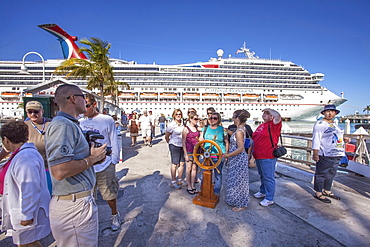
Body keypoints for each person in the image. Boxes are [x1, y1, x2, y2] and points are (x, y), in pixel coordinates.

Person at [44, 84, 106, 247]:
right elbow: (59, 170)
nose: (85, 101)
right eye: (83, 97)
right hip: (74, 206)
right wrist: (91, 159)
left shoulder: (69, 124)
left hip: (75, 202)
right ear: (73, 98)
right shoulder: (63, 125)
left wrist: (94, 158)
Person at [0, 121, 51, 247]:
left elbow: (30, 188)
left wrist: (26, 215)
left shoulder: (26, 157)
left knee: (27, 244)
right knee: (27, 243)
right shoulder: (20, 155)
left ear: (6, 140)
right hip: (20, 208)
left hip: (26, 212)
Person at [79, 94, 122, 230]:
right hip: (87, 165)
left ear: (94, 105)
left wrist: (113, 160)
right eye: (82, 106)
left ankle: (114, 215)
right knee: (88, 196)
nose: (84, 109)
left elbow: (113, 139)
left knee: (109, 195)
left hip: (105, 163)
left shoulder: (106, 119)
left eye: (86, 105)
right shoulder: (80, 122)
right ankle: (90, 220)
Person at [0, 101, 53, 194]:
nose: (33, 114)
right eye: (29, 112)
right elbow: (12, 145)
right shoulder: (23, 126)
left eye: (36, 112)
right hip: (32, 168)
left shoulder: (52, 124)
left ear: (42, 111)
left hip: (51, 168)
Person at [312, 104, 349, 203]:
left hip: (337, 153)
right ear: (323, 113)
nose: (330, 113)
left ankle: (327, 190)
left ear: (335, 113)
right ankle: (318, 192)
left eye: (332, 111)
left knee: (331, 173)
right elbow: (316, 138)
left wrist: (344, 139)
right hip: (325, 153)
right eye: (327, 111)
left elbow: (335, 136)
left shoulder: (334, 124)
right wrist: (315, 152)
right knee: (321, 173)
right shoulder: (320, 124)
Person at [252, 108, 282, 207]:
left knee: (269, 177)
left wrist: (269, 109)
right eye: (264, 113)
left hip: (268, 155)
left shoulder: (274, 125)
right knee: (262, 175)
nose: (264, 114)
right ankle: (263, 191)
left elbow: (278, 116)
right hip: (258, 155)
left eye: (267, 114)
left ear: (271, 116)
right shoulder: (261, 125)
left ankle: (269, 198)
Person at [223, 110, 250, 212]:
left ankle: (241, 204)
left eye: (234, 117)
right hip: (237, 158)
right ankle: (236, 200)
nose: (233, 119)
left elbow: (240, 148)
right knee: (236, 180)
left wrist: (228, 155)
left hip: (237, 159)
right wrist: (227, 131)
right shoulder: (241, 129)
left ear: (238, 118)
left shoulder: (239, 131)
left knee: (239, 182)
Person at [200, 112, 228, 195]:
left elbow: (226, 141)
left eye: (215, 118)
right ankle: (204, 189)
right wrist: (200, 143)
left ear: (218, 119)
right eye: (211, 118)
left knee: (218, 174)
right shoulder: (205, 128)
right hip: (207, 155)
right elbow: (201, 138)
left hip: (219, 155)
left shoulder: (223, 129)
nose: (212, 120)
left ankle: (216, 191)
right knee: (205, 172)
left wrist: (226, 154)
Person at [165, 109, 186, 189]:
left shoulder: (183, 124)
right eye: (177, 114)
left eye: (179, 114)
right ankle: (173, 181)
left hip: (182, 145)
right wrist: (170, 144)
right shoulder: (171, 125)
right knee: (174, 164)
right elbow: (167, 136)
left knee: (182, 163)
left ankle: (180, 178)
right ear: (174, 115)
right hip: (174, 145)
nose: (178, 115)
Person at [182, 112, 200, 194]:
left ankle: (192, 185)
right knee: (188, 168)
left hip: (196, 151)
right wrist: (185, 154)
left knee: (194, 168)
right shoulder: (186, 129)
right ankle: (189, 185)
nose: (197, 120)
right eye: (195, 119)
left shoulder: (197, 128)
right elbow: (183, 142)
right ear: (190, 119)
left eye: (197, 119)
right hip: (189, 150)